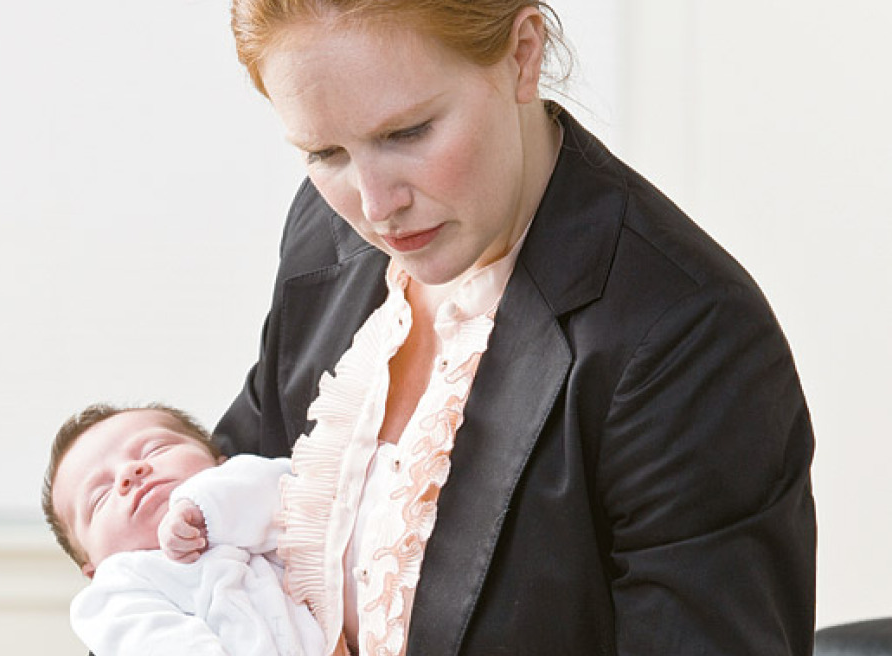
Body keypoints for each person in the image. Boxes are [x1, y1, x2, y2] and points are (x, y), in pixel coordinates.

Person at [212, 1, 817, 655]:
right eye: (325, 151)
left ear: (523, 52)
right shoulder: (326, 233)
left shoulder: (687, 338)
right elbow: (207, 517)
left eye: (408, 132)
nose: (375, 205)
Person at [42, 402, 330, 656]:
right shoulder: (118, 590)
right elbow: (156, 643)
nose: (130, 472)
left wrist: (204, 504)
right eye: (99, 496)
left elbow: (291, 488)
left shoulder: (251, 495)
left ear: (220, 462)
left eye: (156, 448)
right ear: (94, 569)